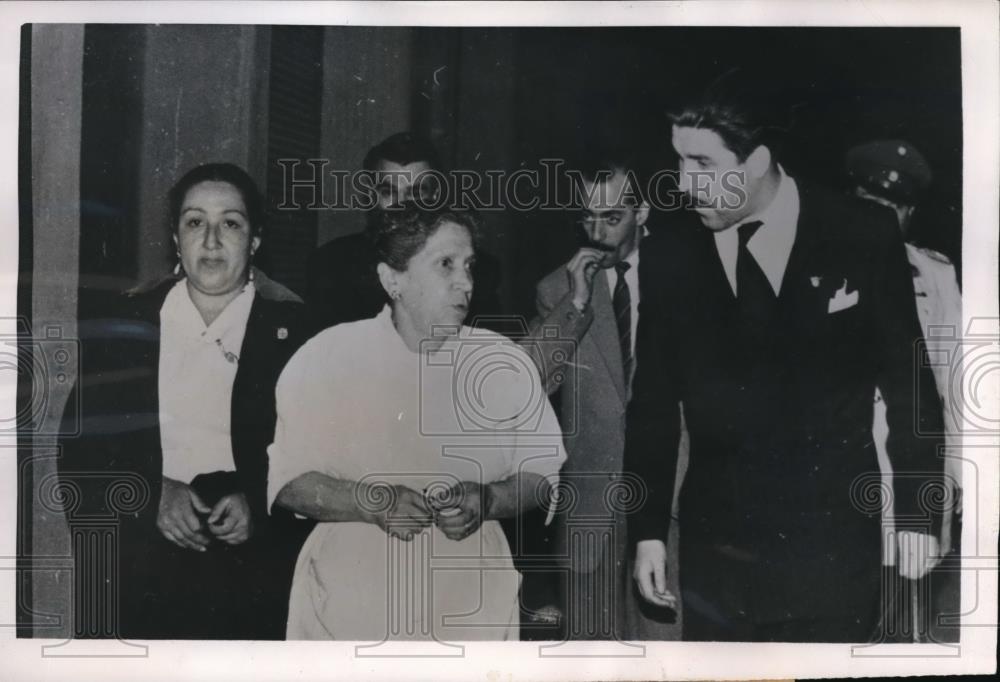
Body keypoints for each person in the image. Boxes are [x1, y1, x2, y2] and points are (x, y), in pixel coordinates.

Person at [624, 69, 946, 642]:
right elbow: (650, 401)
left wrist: (918, 511)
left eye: (702, 164)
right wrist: (646, 529)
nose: (684, 183)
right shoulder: (670, 250)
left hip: (830, 555)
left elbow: (910, 382)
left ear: (756, 161)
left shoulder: (860, 232)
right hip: (716, 559)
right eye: (679, 161)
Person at [268, 204, 566, 641]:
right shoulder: (328, 356)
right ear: (393, 280)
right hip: (351, 606)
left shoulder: (502, 363)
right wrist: (369, 501)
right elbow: (288, 482)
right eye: (445, 264)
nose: (465, 282)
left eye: (469, 265)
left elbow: (542, 475)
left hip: (471, 607)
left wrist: (489, 499)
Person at [57, 163, 315, 639]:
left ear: (255, 240)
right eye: (195, 222)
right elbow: (80, 447)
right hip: (143, 564)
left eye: (231, 223)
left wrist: (257, 503)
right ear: (176, 239)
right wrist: (152, 492)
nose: (212, 241)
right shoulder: (127, 324)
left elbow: (320, 451)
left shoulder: (298, 333)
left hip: (255, 572)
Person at [519, 154, 684, 641]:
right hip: (591, 513)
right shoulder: (557, 288)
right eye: (587, 217)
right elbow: (527, 386)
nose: (596, 233)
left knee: (667, 657)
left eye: (612, 218)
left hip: (672, 505)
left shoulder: (685, 278)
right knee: (589, 658)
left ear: (644, 213)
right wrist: (575, 301)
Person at [846, 139, 962, 640]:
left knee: (910, 614)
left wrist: (954, 476)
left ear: (909, 213)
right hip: (845, 466)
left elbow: (954, 381)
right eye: (870, 207)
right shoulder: (818, 268)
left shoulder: (934, 274)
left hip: (914, 469)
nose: (881, 221)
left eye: (893, 209)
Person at [305, 131, 501, 329]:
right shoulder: (332, 267)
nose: (401, 205)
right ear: (370, 197)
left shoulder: (477, 273)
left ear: (435, 196)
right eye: (388, 192)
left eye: (415, 193)